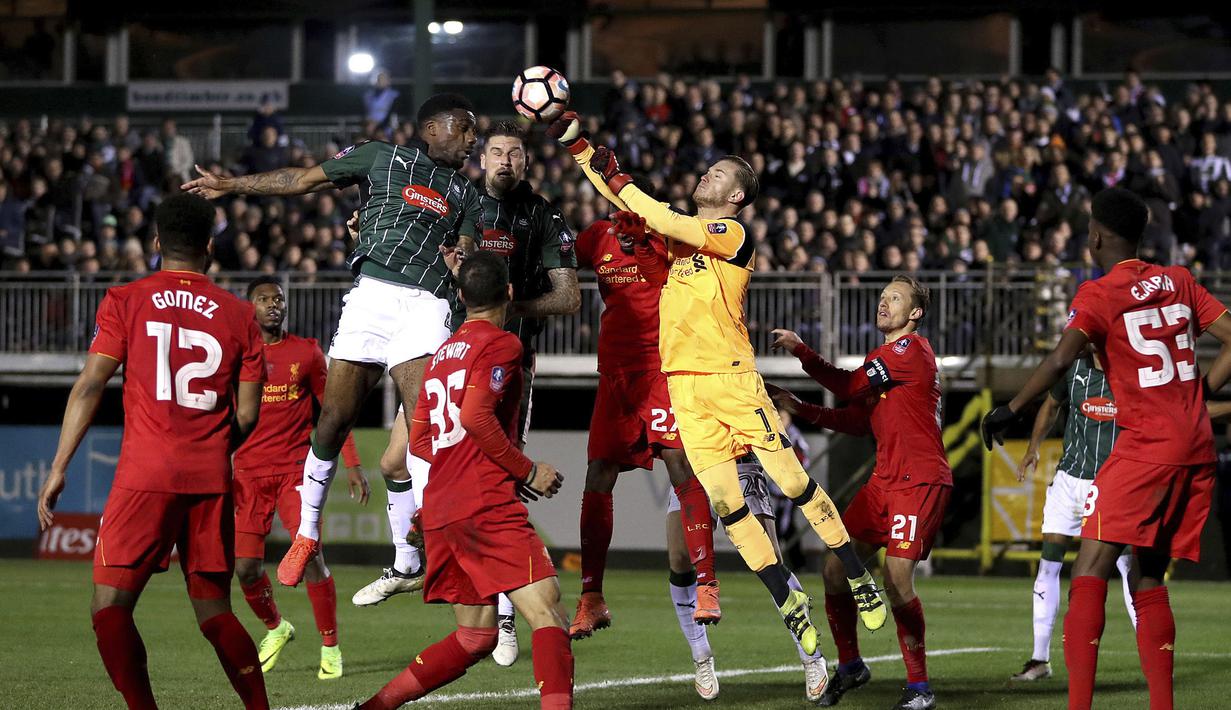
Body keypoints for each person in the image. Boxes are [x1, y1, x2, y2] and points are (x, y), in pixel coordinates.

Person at [548, 111, 886, 663]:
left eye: (721, 174)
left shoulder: (731, 235)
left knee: (792, 482)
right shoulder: (679, 246)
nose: (708, 176)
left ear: (737, 197)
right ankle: (787, 600)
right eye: (708, 169)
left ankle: (856, 574)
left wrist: (595, 155)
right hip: (684, 390)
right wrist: (586, 157)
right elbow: (644, 217)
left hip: (732, 380)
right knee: (729, 505)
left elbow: (657, 214)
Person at [183, 93, 483, 589]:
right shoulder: (381, 155)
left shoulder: (466, 195)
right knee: (333, 419)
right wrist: (233, 184)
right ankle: (306, 535)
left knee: (425, 426)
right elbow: (301, 180)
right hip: (371, 297)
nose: (473, 139)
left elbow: (466, 255)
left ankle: (429, 533)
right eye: (465, 128)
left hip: (427, 304)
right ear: (432, 128)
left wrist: (462, 263)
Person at [982, 187, 1231, 710]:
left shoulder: (1098, 293)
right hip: (1195, 449)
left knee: (1090, 568)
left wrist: (1011, 408)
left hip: (1145, 448)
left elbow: (1057, 362)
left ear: (1095, 236)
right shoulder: (1179, 280)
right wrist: (1198, 395)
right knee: (1148, 575)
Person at [35, 193, 269, 709]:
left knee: (110, 608)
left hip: (145, 475)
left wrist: (58, 467)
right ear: (210, 247)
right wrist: (211, 447)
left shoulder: (126, 299)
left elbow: (90, 386)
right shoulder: (239, 315)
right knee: (214, 611)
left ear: (157, 242)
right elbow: (249, 414)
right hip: (209, 479)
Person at [354, 251, 573, 710]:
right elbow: (475, 416)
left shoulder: (438, 359)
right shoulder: (502, 345)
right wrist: (526, 469)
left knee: (475, 635)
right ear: (510, 293)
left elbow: (422, 443)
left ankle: (373, 708)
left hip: (442, 507)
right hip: (485, 503)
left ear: (460, 296)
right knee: (548, 612)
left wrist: (449, 483)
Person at [768, 275, 951, 710]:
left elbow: (848, 386)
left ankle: (920, 687)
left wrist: (802, 351)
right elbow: (855, 420)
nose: (884, 303)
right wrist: (798, 406)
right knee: (835, 568)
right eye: (883, 296)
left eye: (896, 298)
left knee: (896, 577)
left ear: (915, 314)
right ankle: (851, 665)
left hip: (920, 480)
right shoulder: (884, 358)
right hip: (884, 481)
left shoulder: (910, 350)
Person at [570, 211, 721, 699]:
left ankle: (707, 584)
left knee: (680, 464)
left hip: (661, 370)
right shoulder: (596, 236)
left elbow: (670, 285)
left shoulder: (668, 234)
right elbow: (559, 263)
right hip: (614, 375)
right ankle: (591, 594)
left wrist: (645, 248)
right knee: (597, 475)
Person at [232, 276, 369, 680]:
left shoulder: (306, 352)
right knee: (245, 569)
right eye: (263, 299)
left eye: (278, 298)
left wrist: (352, 462)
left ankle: (331, 647)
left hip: (296, 470)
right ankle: (277, 628)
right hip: (248, 474)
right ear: (249, 308)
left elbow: (333, 412)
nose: (273, 304)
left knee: (310, 555)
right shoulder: (238, 356)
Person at [1008, 347, 1136, 682]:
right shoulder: (1073, 369)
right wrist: (1034, 447)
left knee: (1128, 566)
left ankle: (1149, 651)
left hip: (1112, 482)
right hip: (1068, 480)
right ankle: (1039, 659)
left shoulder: (1132, 368)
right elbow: (1051, 405)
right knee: (1049, 563)